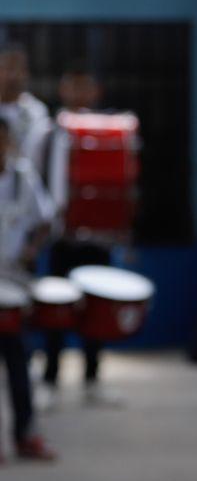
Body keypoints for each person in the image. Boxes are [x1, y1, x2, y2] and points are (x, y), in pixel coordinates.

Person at [39, 64, 114, 404]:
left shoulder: (109, 131)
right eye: (74, 87)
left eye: (87, 87)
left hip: (97, 239)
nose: (81, 94)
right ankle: (51, 378)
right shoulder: (49, 132)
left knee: (97, 310)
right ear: (63, 92)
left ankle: (92, 379)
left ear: (96, 92)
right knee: (56, 310)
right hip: (61, 237)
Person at [0, 117, 56, 462]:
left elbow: (45, 220)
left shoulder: (23, 177)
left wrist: (32, 248)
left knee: (19, 364)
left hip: (14, 283)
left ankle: (24, 435)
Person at [0, 44, 53, 166]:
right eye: (7, 68)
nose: (12, 76)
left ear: (26, 73)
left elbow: (35, 155)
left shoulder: (37, 111)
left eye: (18, 69)